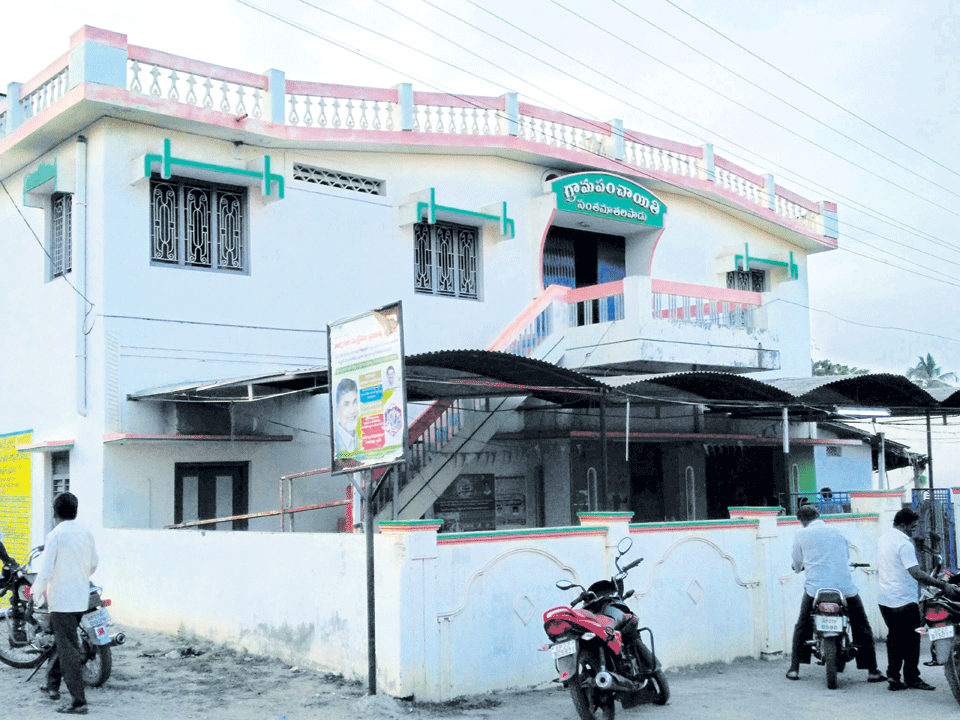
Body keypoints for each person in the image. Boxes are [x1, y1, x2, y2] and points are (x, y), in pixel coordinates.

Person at [786, 504, 884, 683]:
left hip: (816, 591)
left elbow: (797, 563)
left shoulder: (800, 535)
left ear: (802, 521)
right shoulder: (839, 531)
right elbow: (845, 557)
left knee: (802, 624)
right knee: (861, 625)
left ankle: (794, 669)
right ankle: (872, 671)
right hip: (844, 590)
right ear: (818, 515)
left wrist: (798, 567)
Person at [30, 492, 99, 715]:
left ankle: (78, 702)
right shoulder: (86, 532)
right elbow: (94, 564)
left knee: (68, 649)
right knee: (65, 643)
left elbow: (46, 570)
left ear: (55, 512)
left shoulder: (55, 535)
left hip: (61, 601)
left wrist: (36, 594)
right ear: (75, 511)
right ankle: (52, 684)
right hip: (80, 598)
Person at [877, 508, 960, 691]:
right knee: (912, 640)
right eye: (912, 527)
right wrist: (943, 585)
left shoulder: (884, 539)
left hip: (885, 598)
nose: (913, 531)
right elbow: (916, 572)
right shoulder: (904, 544)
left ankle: (893, 676)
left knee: (894, 637)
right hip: (903, 599)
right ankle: (912, 678)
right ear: (903, 524)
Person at [334, 377, 360, 456]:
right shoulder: (334, 442)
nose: (352, 410)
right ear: (338, 410)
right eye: (346, 404)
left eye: (354, 402)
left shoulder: (361, 437)